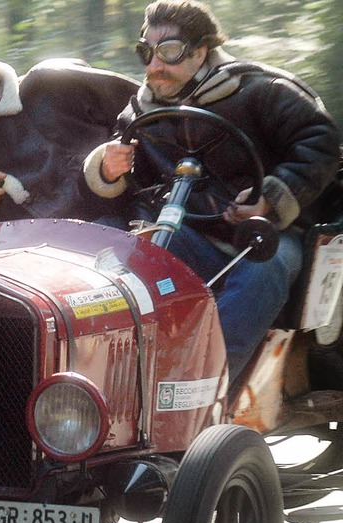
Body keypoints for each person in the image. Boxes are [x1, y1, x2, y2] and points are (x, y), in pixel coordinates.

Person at [82, 0, 340, 389]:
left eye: (168, 52)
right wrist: (106, 170)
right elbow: (128, 188)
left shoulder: (261, 90)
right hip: (188, 235)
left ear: (200, 51)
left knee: (263, 268)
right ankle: (97, 378)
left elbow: (320, 143)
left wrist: (270, 198)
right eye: (146, 53)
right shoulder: (139, 112)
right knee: (110, 243)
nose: (154, 66)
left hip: (266, 235)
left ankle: (201, 392)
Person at [0, 32, 139, 257]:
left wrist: (111, 160)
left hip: (114, 231)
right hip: (33, 268)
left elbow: (138, 108)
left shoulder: (50, 86)